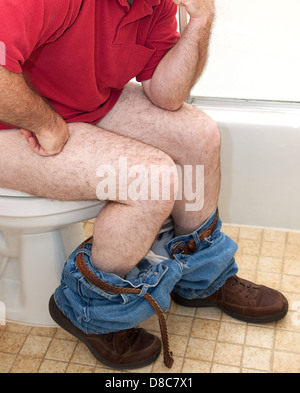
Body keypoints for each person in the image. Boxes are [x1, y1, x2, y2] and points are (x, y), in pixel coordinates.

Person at [0, 0, 288, 369]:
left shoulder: (154, 3)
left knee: (198, 135)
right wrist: (44, 123)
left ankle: (201, 275)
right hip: (14, 125)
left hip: (79, 107)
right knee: (150, 180)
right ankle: (91, 309)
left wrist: (201, 19)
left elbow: (166, 95)